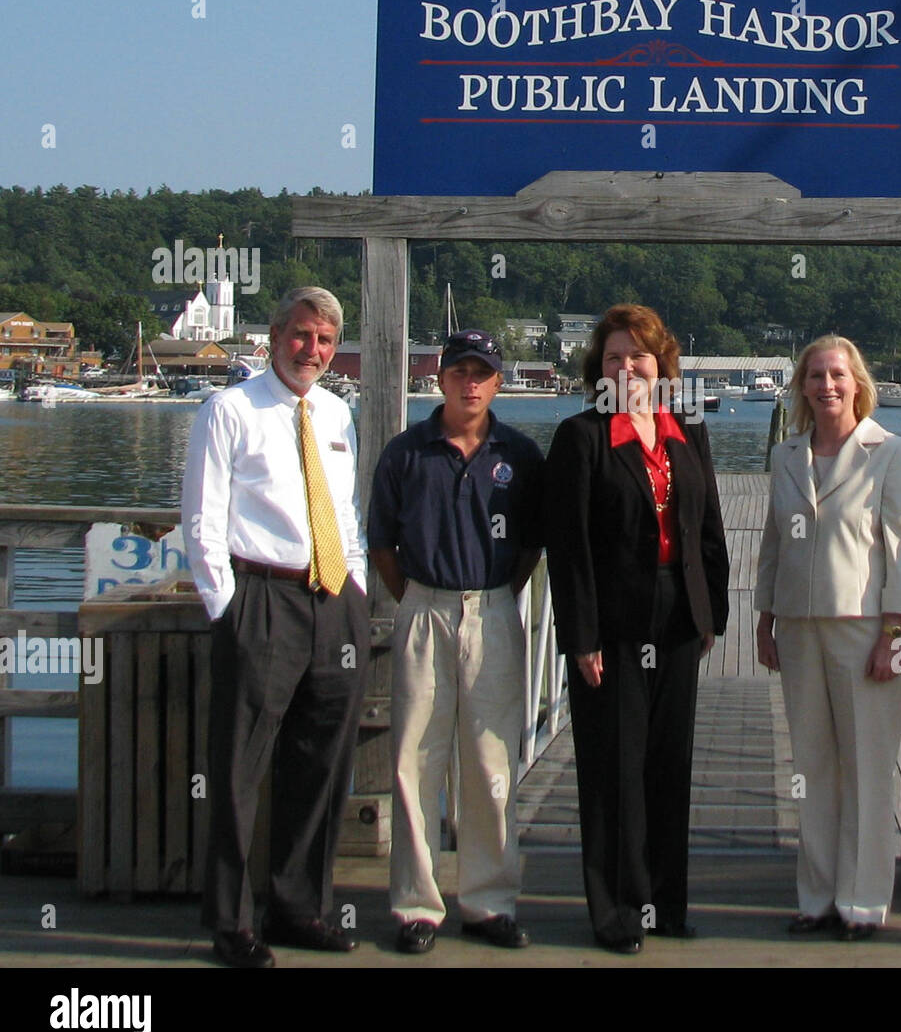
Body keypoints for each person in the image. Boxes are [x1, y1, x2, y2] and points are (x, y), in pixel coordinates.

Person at [182, 286, 370, 969]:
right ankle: (231, 923)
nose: (312, 350)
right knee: (239, 769)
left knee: (321, 766)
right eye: (301, 335)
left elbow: (345, 513)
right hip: (261, 597)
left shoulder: (337, 413)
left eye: (323, 339)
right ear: (274, 335)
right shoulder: (227, 410)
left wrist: (356, 589)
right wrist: (226, 608)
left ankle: (299, 908)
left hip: (332, 600)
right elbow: (202, 521)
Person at [545, 304, 729, 954]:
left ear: (662, 366)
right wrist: (582, 637)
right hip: (613, 621)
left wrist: (714, 613)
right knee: (614, 768)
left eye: (639, 357)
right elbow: (567, 551)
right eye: (615, 357)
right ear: (600, 366)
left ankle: (664, 903)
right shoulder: (581, 437)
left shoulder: (686, 429)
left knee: (667, 764)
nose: (628, 367)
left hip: (678, 613)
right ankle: (618, 911)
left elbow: (706, 528)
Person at [369, 329, 544, 954]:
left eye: (482, 372)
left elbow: (531, 546)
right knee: (414, 760)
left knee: (492, 763)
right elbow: (381, 545)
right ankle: (417, 905)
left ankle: (488, 902)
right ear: (439, 378)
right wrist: (418, 600)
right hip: (422, 605)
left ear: (499, 382)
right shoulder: (405, 452)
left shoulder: (520, 455)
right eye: (459, 371)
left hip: (494, 608)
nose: (470, 382)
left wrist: (494, 597)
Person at [755, 336, 901, 939]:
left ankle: (864, 900)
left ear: (857, 383)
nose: (827, 385)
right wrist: (764, 617)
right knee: (814, 767)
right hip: (798, 629)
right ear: (802, 385)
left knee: (870, 768)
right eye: (816, 375)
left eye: (837, 375)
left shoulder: (891, 453)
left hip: (865, 630)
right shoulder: (785, 456)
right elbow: (773, 543)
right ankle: (817, 896)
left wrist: (893, 633)